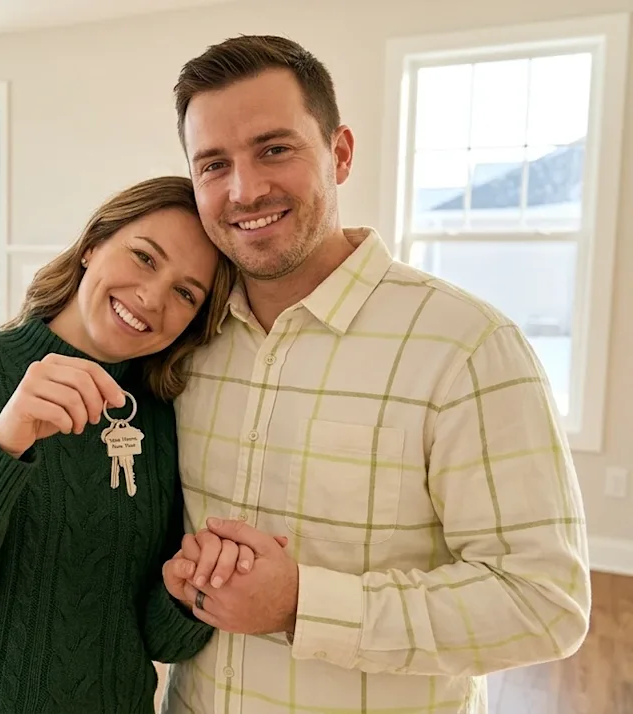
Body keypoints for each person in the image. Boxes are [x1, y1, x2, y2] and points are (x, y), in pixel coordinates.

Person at [158, 35, 590, 713]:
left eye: (274, 149)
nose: (245, 189)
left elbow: (545, 603)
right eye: (215, 164)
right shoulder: (184, 341)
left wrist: (302, 603)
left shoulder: (468, 347)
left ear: (340, 154)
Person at [0, 175, 242, 713]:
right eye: (144, 257)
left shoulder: (160, 419)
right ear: (92, 245)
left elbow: (158, 641)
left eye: (185, 293)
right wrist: (3, 444)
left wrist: (184, 594)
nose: (152, 297)